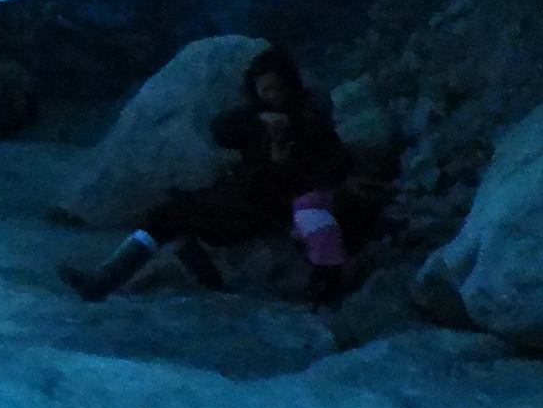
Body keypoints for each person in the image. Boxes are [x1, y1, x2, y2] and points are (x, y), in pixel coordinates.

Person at [63, 44, 354, 307]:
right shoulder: (258, 117)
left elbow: (319, 170)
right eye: (263, 90)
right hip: (236, 198)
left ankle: (103, 283)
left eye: (275, 90)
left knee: (169, 216)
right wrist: (256, 120)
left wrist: (284, 150)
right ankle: (104, 280)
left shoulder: (309, 123)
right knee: (168, 213)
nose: (269, 97)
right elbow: (222, 132)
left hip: (258, 209)